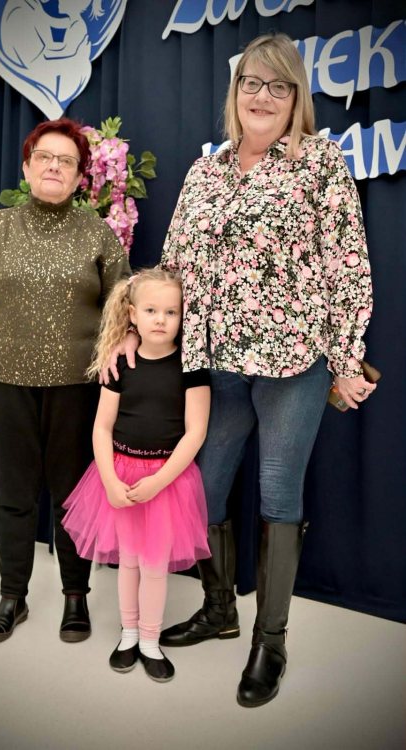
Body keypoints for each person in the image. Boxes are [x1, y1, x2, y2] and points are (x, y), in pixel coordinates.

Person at [106, 33, 374, 706]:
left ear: (295, 97)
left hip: (293, 363)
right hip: (213, 364)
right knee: (205, 486)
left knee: (279, 493)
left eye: (278, 85)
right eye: (251, 82)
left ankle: (269, 642)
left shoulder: (320, 163)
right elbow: (172, 267)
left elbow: (349, 267)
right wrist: (132, 329)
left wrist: (346, 360)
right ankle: (220, 609)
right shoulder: (206, 172)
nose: (262, 95)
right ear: (235, 93)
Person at [0, 118, 131, 644]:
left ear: (80, 177)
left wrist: (124, 350)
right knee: (13, 494)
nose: (54, 167)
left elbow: (122, 305)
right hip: (6, 383)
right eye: (44, 157)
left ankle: (76, 597)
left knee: (72, 497)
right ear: (26, 168)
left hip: (78, 387)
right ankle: (13, 597)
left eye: (66, 161)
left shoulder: (98, 234)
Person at [61, 269, 211, 682]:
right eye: (151, 310)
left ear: (182, 317)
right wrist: (110, 481)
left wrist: (159, 482)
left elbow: (196, 432)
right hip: (121, 474)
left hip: (168, 481)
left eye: (171, 312)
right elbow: (102, 427)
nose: (161, 319)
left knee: (155, 565)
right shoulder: (120, 364)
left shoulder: (192, 367)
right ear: (132, 314)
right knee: (128, 562)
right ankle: (128, 634)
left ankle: (149, 639)